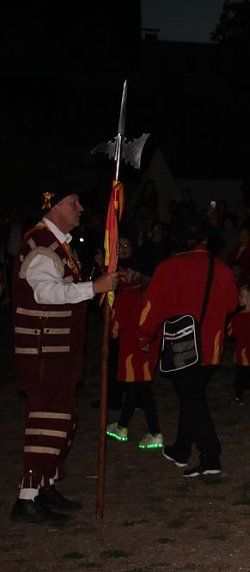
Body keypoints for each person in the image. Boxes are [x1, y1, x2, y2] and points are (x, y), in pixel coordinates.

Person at [11, 187, 119, 525]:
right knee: (48, 422)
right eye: (73, 203)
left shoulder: (59, 244)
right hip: (46, 352)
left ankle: (45, 485)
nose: (80, 208)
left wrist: (95, 278)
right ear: (53, 206)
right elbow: (45, 293)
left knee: (64, 420)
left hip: (59, 352)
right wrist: (94, 288)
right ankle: (27, 497)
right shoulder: (42, 245)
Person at [138, 214, 238, 478]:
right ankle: (181, 450)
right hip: (212, 346)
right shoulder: (223, 268)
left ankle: (211, 454)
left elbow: (152, 307)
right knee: (191, 396)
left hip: (182, 345)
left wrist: (143, 335)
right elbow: (231, 305)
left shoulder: (169, 267)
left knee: (192, 398)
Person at [105, 263, 163, 449]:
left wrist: (111, 324)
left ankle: (155, 432)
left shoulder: (128, 295)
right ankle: (122, 426)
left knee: (142, 389)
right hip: (149, 348)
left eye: (128, 270)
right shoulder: (154, 294)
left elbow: (115, 328)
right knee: (135, 388)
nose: (124, 273)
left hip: (133, 349)